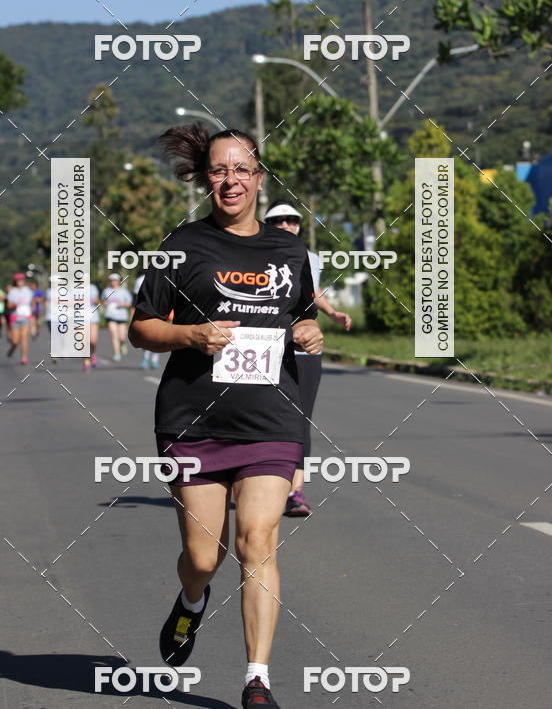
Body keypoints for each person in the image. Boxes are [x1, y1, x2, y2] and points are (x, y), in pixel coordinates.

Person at [129, 123, 322, 709]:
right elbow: (142, 326)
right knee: (203, 556)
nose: (230, 180)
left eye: (241, 169)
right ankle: (191, 601)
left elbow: (301, 316)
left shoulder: (289, 250)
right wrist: (190, 334)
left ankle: (257, 680)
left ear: (259, 178)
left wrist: (307, 331)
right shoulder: (182, 244)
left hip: (270, 418)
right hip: (195, 421)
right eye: (219, 170)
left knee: (257, 538)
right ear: (205, 179)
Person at [263, 201, 351, 517]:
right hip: (265, 347)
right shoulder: (254, 255)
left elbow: (313, 292)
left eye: (293, 220)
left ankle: (294, 493)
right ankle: (258, 484)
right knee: (263, 418)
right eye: (279, 220)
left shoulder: (310, 258)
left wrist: (333, 313)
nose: (287, 225)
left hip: (303, 349)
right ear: (267, 224)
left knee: (301, 420)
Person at [101, 273, 132, 361]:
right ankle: (117, 353)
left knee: (122, 337)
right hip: (110, 316)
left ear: (119, 281)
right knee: (114, 334)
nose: (113, 282)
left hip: (122, 316)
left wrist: (121, 304)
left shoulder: (124, 291)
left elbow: (129, 303)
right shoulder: (106, 291)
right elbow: (103, 301)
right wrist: (105, 304)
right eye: (111, 280)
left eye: (115, 280)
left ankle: (122, 344)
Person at [6, 272, 35, 365]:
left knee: (24, 338)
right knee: (15, 340)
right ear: (15, 281)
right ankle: (13, 347)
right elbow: (8, 305)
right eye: (18, 280)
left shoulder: (28, 291)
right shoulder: (12, 291)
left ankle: (24, 357)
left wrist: (32, 311)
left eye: (21, 279)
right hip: (15, 317)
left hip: (25, 317)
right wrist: (15, 304)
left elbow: (33, 301)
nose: (20, 281)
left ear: (24, 280)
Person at [133, 272, 159, 370]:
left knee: (157, 335)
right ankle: (145, 357)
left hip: (160, 310)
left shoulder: (165, 277)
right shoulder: (140, 280)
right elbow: (136, 298)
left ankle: (154, 359)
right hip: (144, 310)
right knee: (146, 335)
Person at [83, 281, 100, 371]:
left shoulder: (92, 287)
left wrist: (94, 300)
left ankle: (92, 354)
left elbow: (97, 300)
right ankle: (86, 361)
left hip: (92, 317)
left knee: (92, 341)